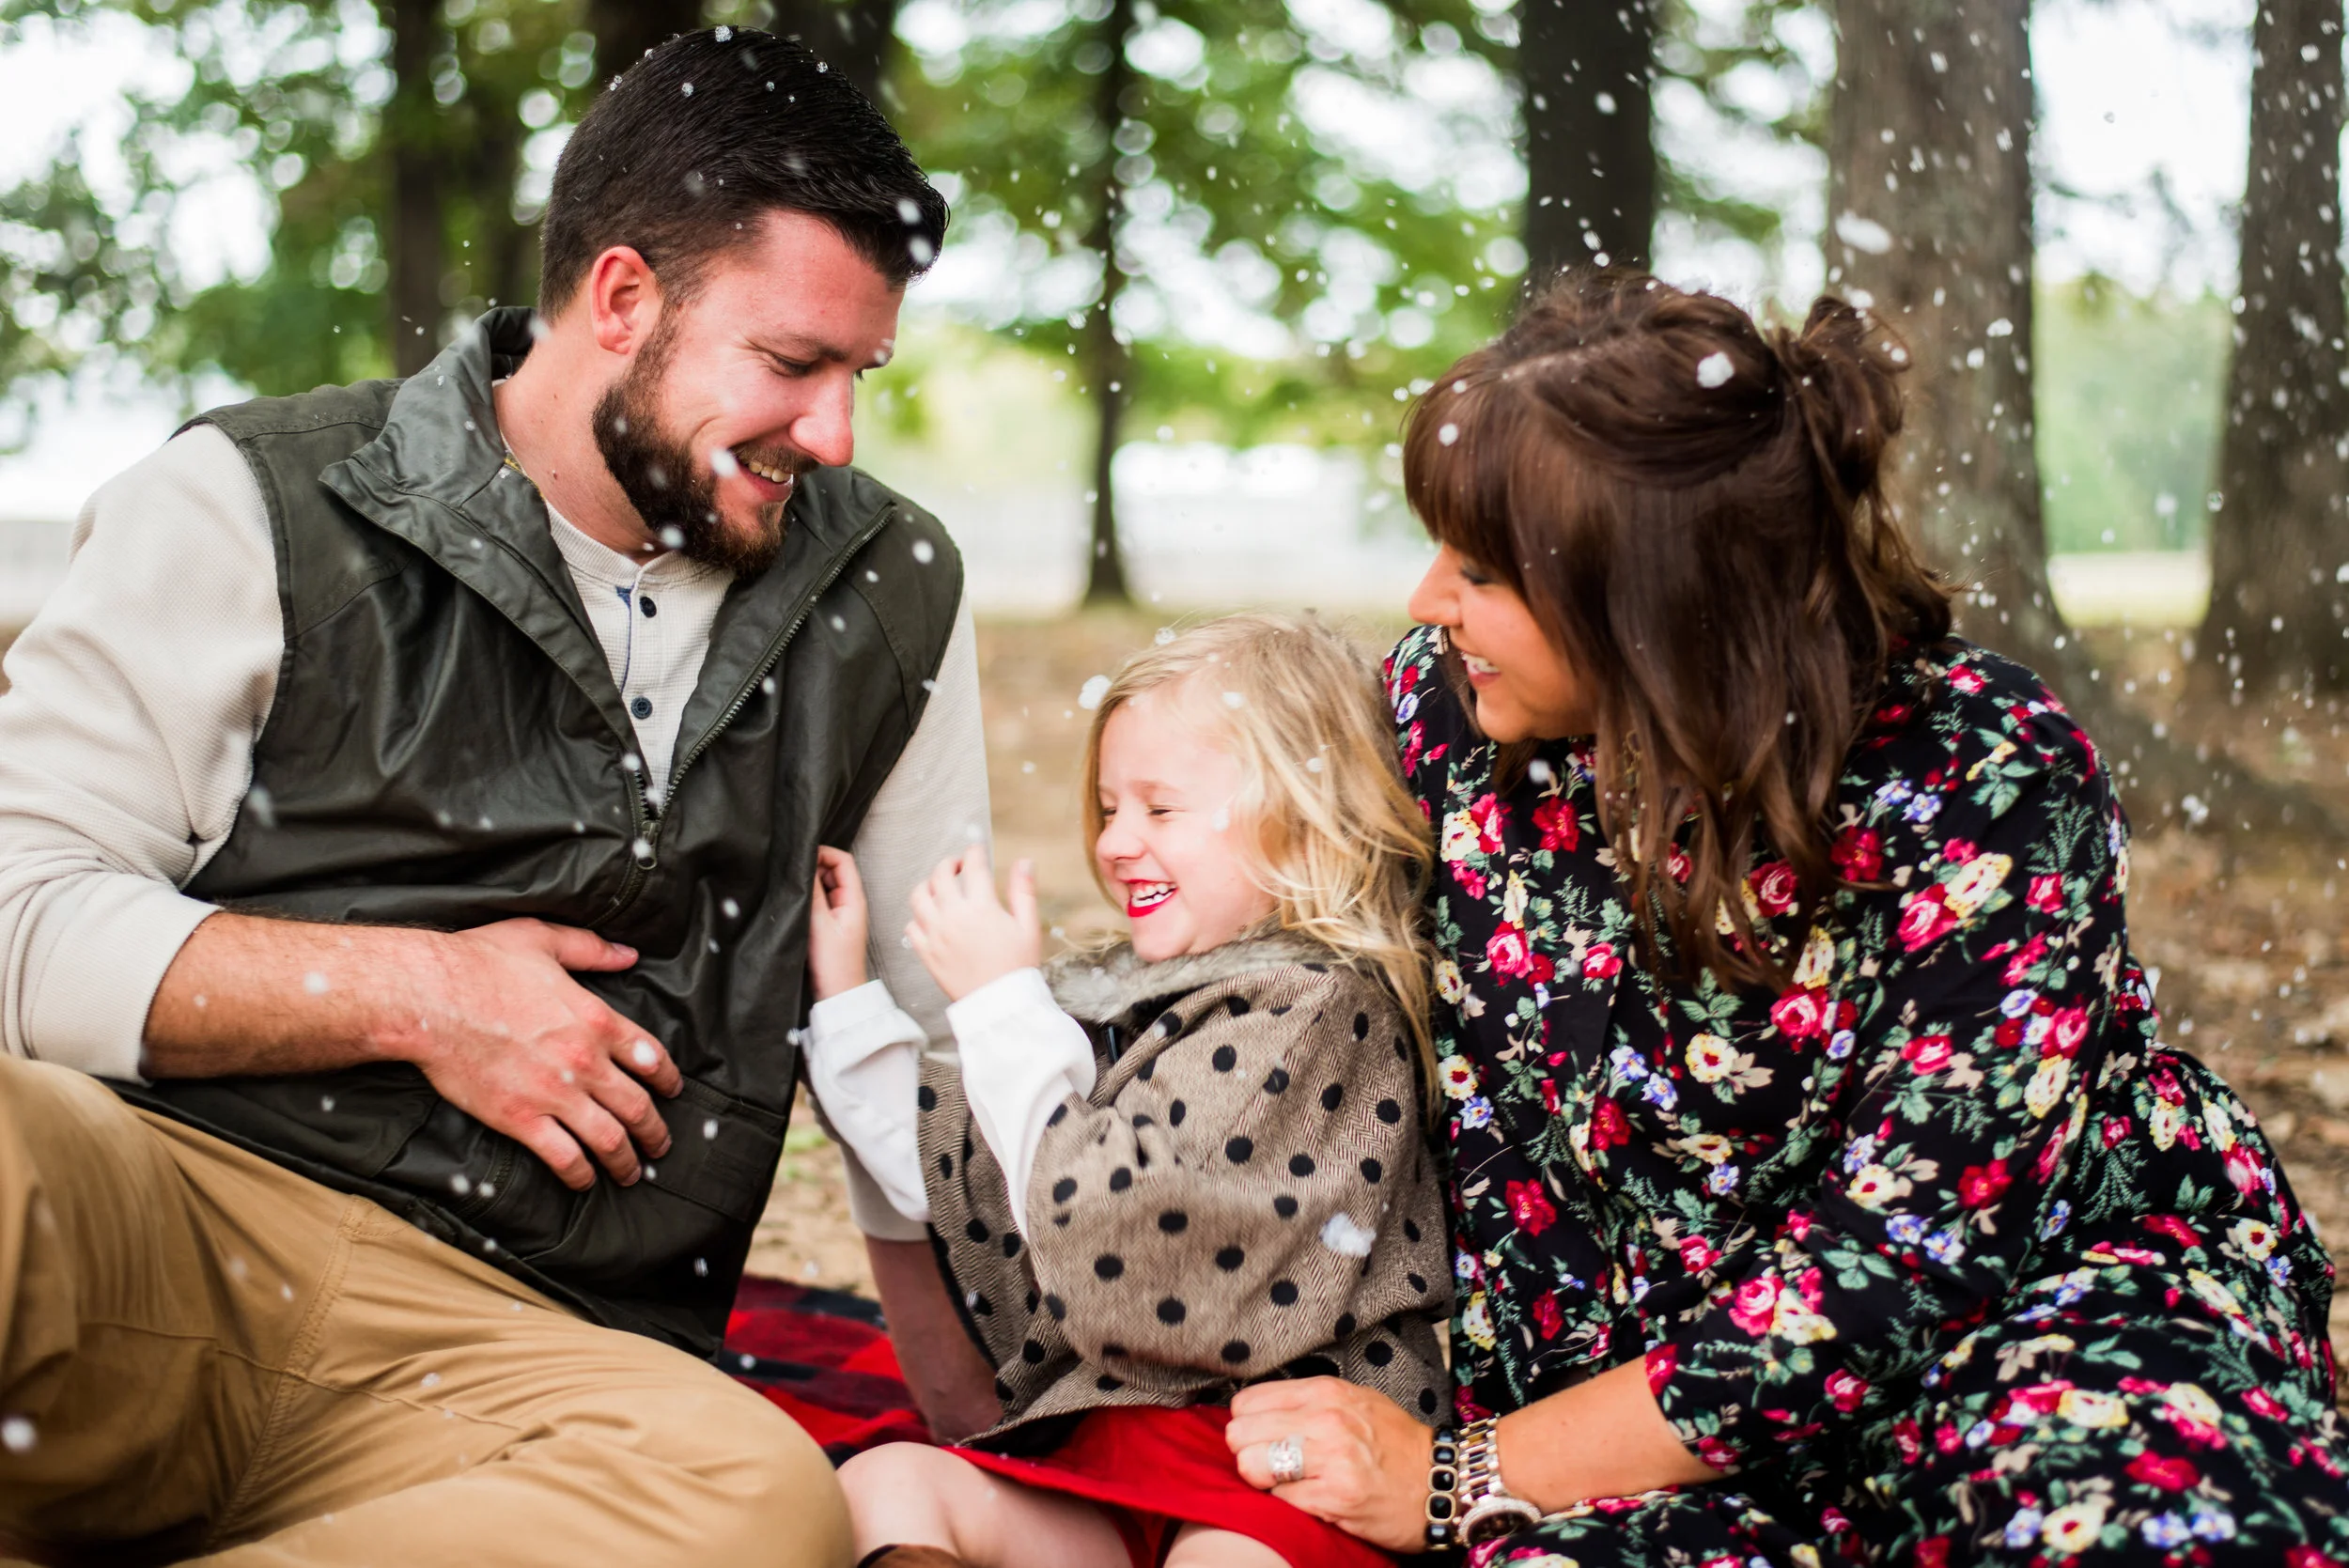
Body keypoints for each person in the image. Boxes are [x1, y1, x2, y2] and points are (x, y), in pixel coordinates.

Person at [0, 29, 996, 1565]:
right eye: (792, 364)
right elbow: (18, 915)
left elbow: (932, 1050)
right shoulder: (250, 500)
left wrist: (997, 1421)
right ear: (622, 297)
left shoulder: (892, 587)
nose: (835, 433)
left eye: (859, 375)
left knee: (753, 1501)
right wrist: (414, 993)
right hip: (158, 1229)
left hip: (542, 1364)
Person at [1218, 273, 2349, 1562]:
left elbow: (1908, 1258)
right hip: (1619, 1408)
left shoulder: (1983, 771)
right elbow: (1266, 955)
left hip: (2032, 1334)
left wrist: (1458, 1475)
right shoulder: (1450, 721)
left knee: (2142, 1527)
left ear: (1647, 598)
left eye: (1480, 570)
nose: (1428, 599)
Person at [795, 615, 1452, 1568]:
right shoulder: (1139, 1003)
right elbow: (973, 1176)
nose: (1114, 842)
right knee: (884, 1485)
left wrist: (999, 1006)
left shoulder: (1319, 1009)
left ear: (1306, 822)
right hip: (1107, 1459)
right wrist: (849, 997)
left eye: (1160, 808)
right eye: (1109, 808)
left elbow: (1121, 1243)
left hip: (1278, 1469)